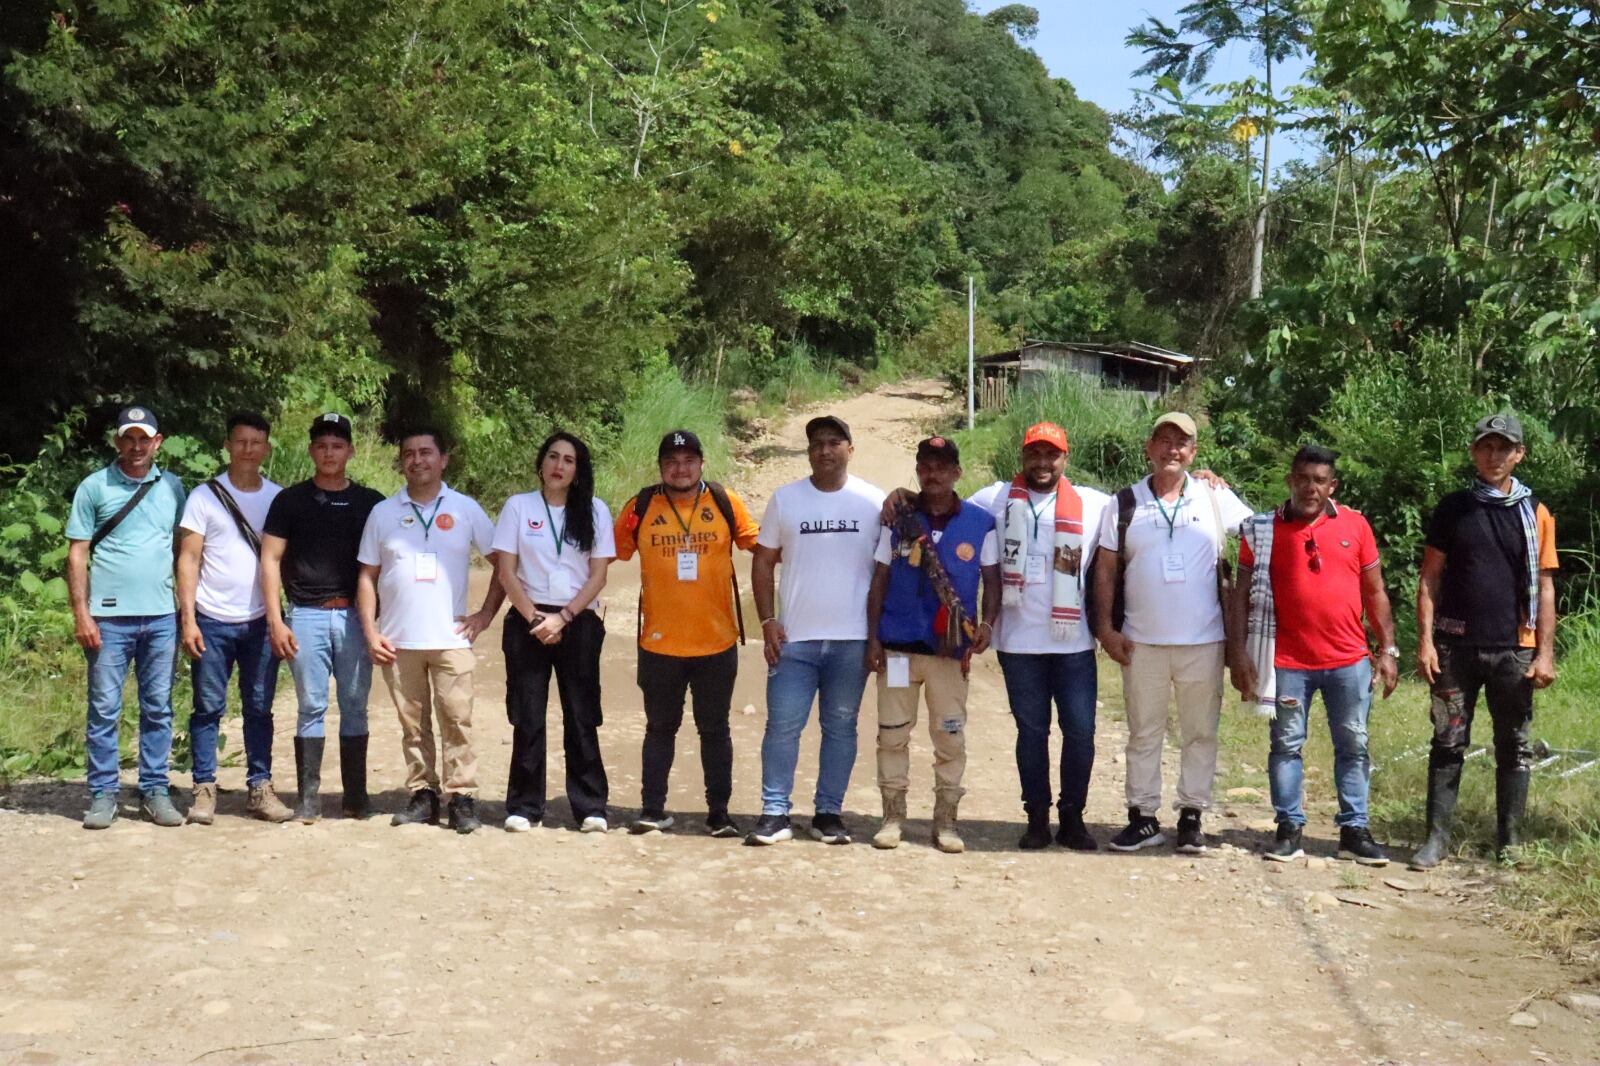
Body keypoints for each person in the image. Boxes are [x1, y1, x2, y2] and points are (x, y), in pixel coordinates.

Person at [1227, 445, 1399, 866]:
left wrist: (1388, 649)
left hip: (1349, 660)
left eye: (1319, 480)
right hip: (1286, 661)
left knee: (1354, 744)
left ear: (1331, 486)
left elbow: (1375, 591)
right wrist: (1238, 654)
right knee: (1286, 744)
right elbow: (1241, 594)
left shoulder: (1356, 526)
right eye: (1302, 478)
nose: (1310, 487)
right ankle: (1289, 828)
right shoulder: (1262, 530)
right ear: (1290, 481)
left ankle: (1354, 830)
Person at [1093, 412, 1251, 854]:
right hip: (1141, 640)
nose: (1172, 450)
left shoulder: (1216, 498)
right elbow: (1105, 569)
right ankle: (1143, 817)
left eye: (1182, 442)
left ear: (1194, 452)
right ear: (1149, 447)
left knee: (1200, 732)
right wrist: (1105, 628)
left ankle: (1192, 816)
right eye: (1163, 440)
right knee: (1144, 732)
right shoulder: (1123, 503)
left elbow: (1262, 533)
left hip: (1204, 640)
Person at [1411, 414, 1558, 869]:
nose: (1494, 456)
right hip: (1455, 648)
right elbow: (1430, 578)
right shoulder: (1454, 508)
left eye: (1504, 448)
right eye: (1486, 447)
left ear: (1519, 454)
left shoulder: (1536, 514)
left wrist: (1545, 653)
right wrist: (1425, 642)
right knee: (1447, 740)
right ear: (1474, 452)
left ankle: (1509, 842)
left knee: (1514, 745)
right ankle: (1435, 840)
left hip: (1515, 649)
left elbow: (1547, 586)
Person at [965, 422, 1110, 851]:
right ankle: (1036, 818)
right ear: (1022, 456)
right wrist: (903, 497)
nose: (1043, 463)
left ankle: (1073, 818)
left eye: (1052, 455)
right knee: (1032, 733)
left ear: (1066, 458)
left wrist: (1205, 481)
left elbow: (1148, 504)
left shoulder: (1094, 504)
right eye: (1035, 454)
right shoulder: (994, 498)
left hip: (1074, 643)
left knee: (1080, 731)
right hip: (1019, 643)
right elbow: (943, 506)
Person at [747, 415, 886, 846]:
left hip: (852, 639)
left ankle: (828, 813)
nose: (824, 451)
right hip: (795, 639)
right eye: (816, 444)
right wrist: (768, 621)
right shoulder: (786, 500)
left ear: (850, 447)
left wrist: (877, 637)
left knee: (841, 727)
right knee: (783, 727)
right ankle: (775, 813)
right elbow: (763, 560)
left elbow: (886, 572)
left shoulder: (873, 502)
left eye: (834, 442)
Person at [614, 430, 760, 838]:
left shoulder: (724, 502)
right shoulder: (641, 506)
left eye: (688, 460)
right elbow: (608, 552)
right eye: (672, 461)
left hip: (717, 641)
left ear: (701, 463)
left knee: (715, 730)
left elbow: (761, 545)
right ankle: (651, 809)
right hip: (660, 643)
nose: (681, 468)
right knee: (660, 728)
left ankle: (720, 813)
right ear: (661, 466)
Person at [357, 427, 503, 834]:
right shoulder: (383, 513)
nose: (417, 460)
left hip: (451, 638)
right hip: (398, 639)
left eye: (426, 452)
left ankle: (462, 798)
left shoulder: (465, 509)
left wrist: (485, 614)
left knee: (458, 719)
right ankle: (423, 794)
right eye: (409, 453)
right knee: (412, 725)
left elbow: (503, 564)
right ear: (401, 461)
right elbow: (367, 576)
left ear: (444, 459)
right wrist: (371, 630)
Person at [865, 436, 999, 853]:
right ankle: (892, 817)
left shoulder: (980, 523)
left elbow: (992, 580)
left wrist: (988, 623)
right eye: (925, 465)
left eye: (942, 466)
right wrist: (872, 639)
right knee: (892, 735)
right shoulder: (899, 517)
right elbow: (880, 579)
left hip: (947, 652)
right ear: (918, 470)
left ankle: (946, 821)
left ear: (957, 472)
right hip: (899, 648)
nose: (933, 474)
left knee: (950, 736)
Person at [260, 413, 386, 823]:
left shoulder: (372, 503)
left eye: (337, 445)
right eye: (321, 445)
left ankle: (355, 796)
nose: (329, 452)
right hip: (307, 615)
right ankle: (309, 797)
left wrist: (380, 622)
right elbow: (270, 559)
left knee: (354, 704)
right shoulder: (290, 500)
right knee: (311, 705)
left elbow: (387, 564)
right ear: (311, 450)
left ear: (349, 450)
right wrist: (276, 619)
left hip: (353, 615)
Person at [67, 405, 188, 829]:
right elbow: (78, 552)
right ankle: (102, 793)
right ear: (117, 442)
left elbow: (183, 551)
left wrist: (187, 612)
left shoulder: (172, 487)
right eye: (128, 438)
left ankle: (154, 788)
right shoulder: (94, 487)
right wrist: (82, 613)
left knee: (158, 707)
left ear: (157, 442)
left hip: (160, 617)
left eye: (145, 438)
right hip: (109, 618)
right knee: (104, 708)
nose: (136, 447)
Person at [492, 431, 615, 833]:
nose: (559, 466)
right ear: (541, 463)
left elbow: (598, 575)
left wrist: (563, 617)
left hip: (577, 621)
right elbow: (506, 571)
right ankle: (525, 806)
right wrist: (533, 619)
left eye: (569, 460)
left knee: (581, 713)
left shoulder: (595, 510)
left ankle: (590, 805)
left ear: (579, 470)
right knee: (527, 714)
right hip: (528, 620)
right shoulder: (518, 506)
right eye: (553, 457)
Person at [176, 410, 291, 824]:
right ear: (227, 445)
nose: (247, 450)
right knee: (208, 706)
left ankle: (260, 787)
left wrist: (280, 618)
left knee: (259, 706)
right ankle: (204, 788)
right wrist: (187, 619)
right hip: (211, 618)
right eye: (239, 441)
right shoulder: (203, 497)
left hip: (261, 619)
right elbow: (188, 559)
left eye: (255, 442)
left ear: (267, 448)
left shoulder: (278, 498)